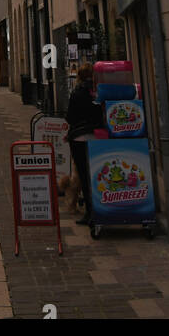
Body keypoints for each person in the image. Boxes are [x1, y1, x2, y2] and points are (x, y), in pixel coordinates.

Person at [65, 63, 103, 225]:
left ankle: (90, 212)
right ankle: (104, 206)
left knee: (84, 175)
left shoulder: (77, 93)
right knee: (99, 173)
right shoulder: (99, 92)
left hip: (80, 138)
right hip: (99, 137)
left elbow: (70, 117)